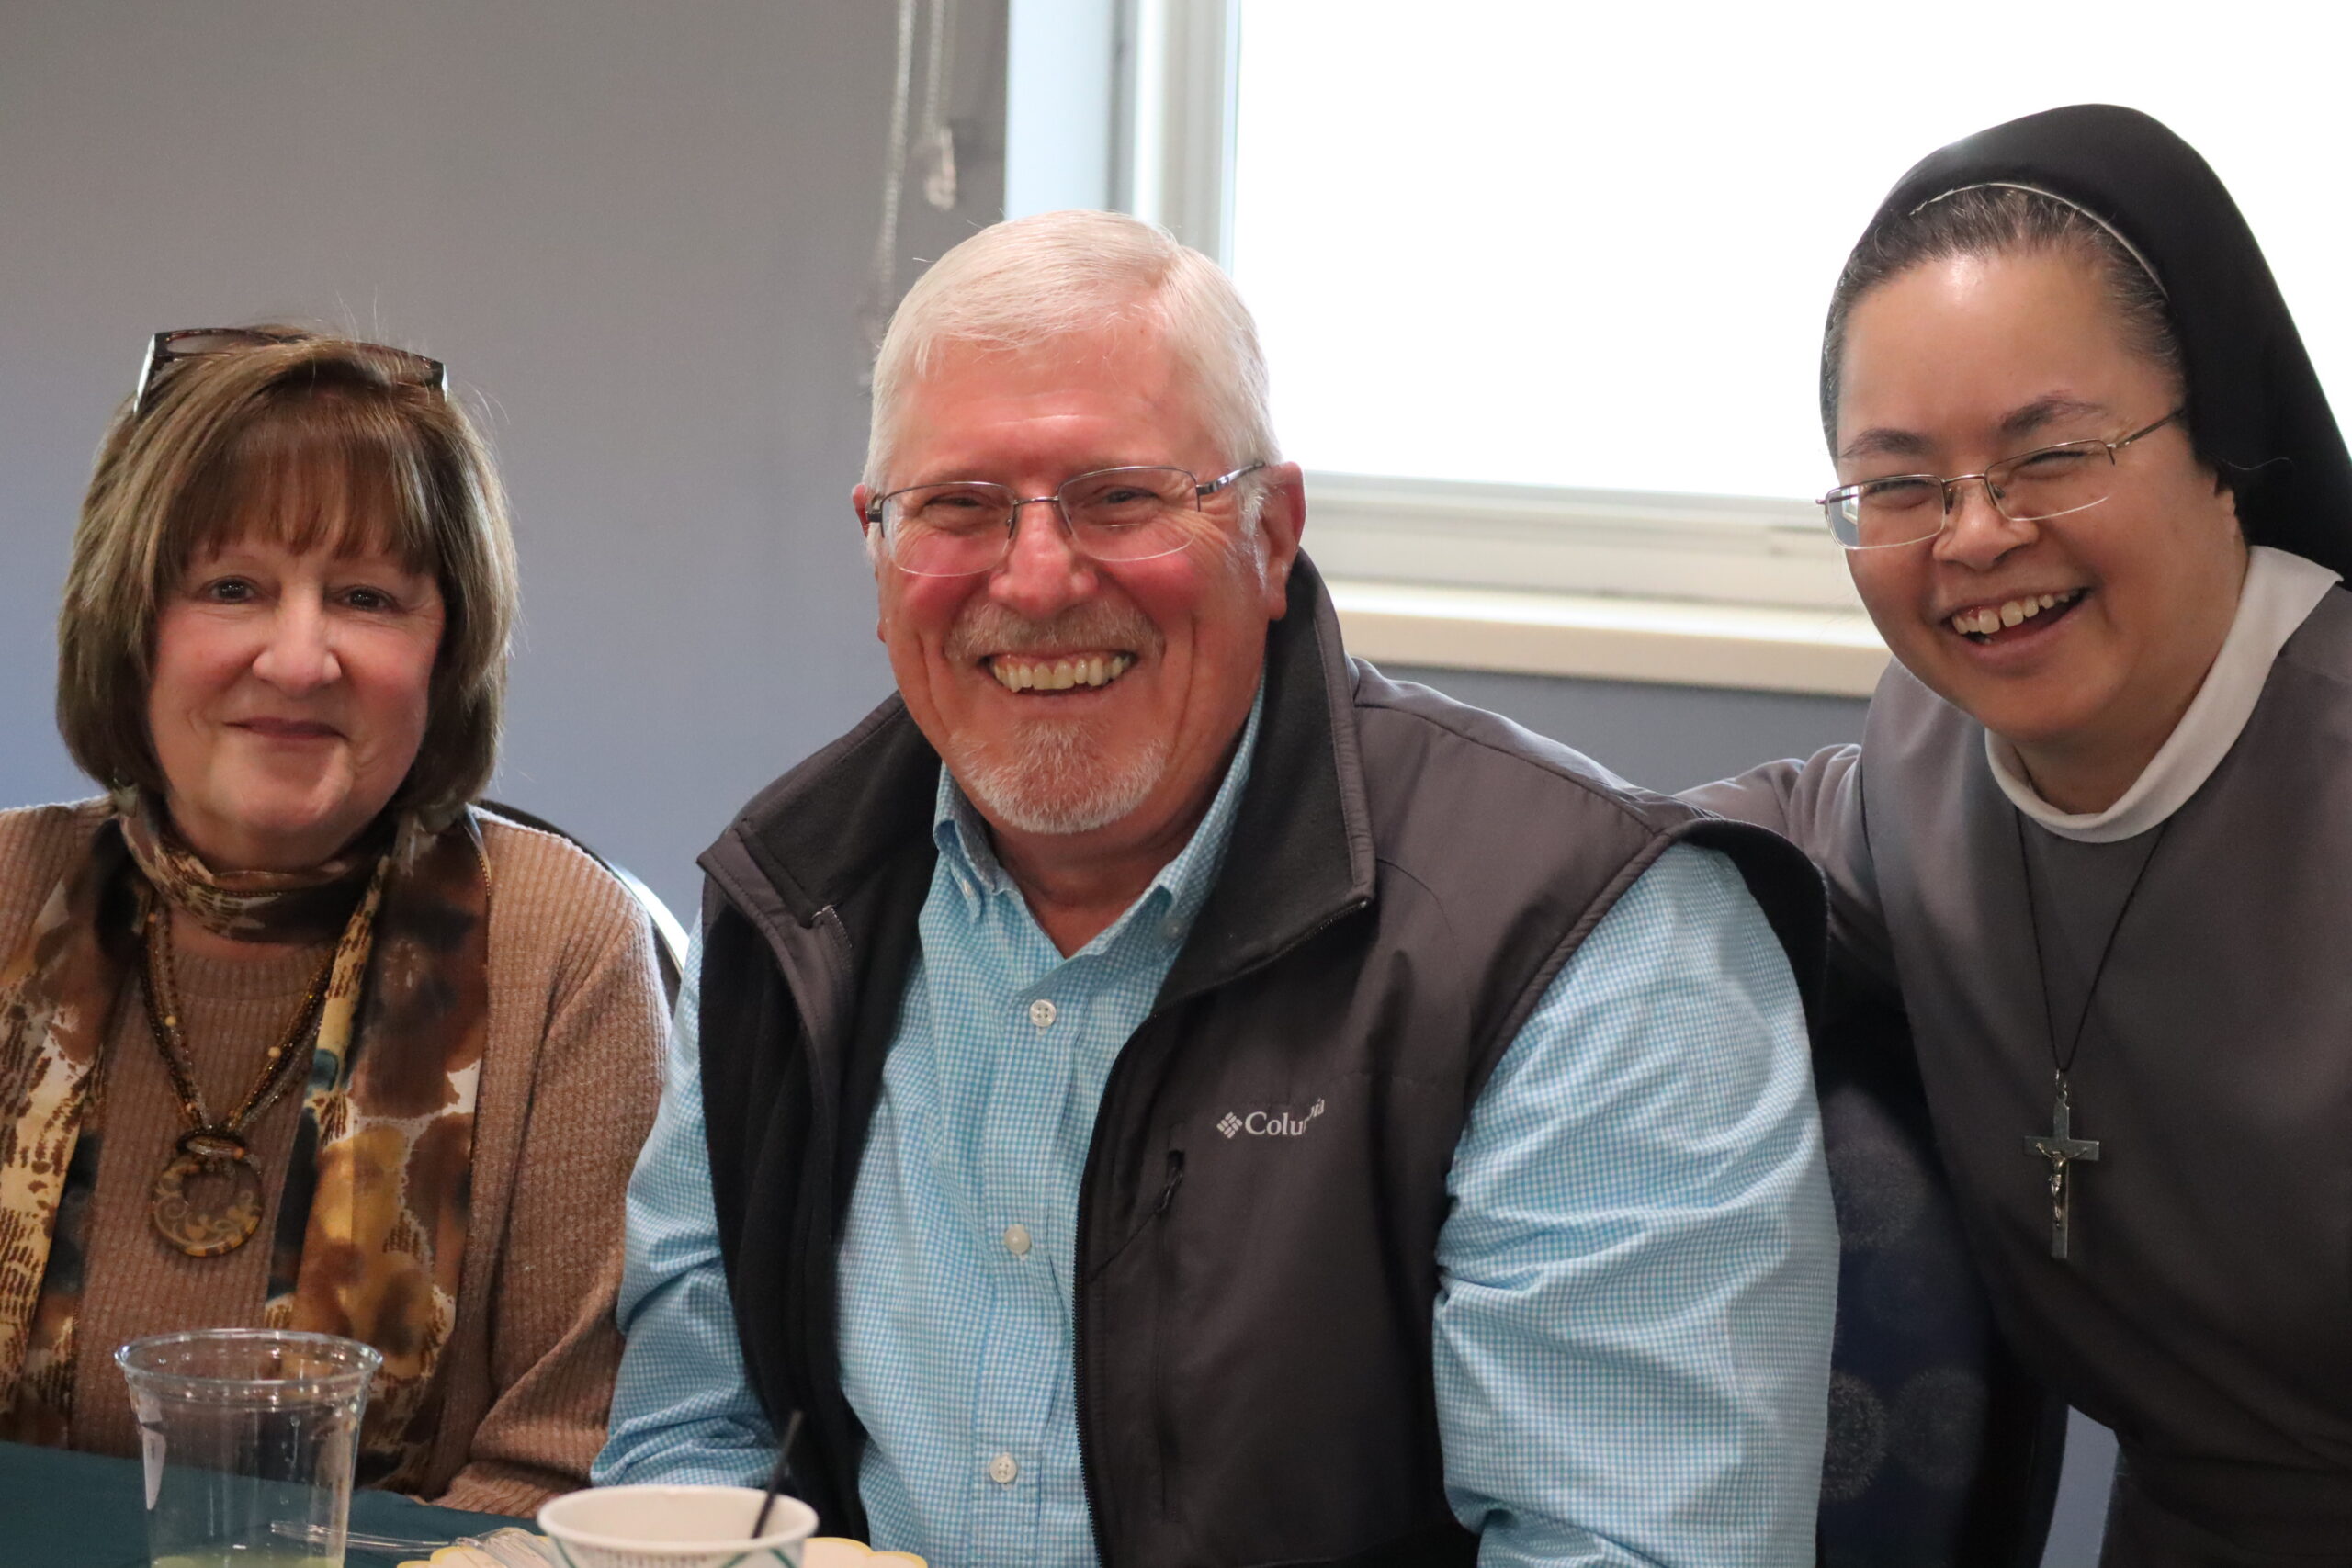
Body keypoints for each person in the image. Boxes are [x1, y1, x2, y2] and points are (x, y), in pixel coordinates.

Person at [597, 210, 1838, 1567]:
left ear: (1270, 532)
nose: (1038, 576)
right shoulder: (798, 909)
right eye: (960, 507)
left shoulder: (1597, 949)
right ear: (880, 552)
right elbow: (694, 1451)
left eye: (1120, 497)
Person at [1691, 107, 2352, 1562]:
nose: (1974, 536)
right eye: (1901, 486)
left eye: (2052, 456)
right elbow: (1678, 854)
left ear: (2222, 440)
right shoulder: (1929, 763)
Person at [0, 327, 666, 1514]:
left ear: (445, 648)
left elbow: (559, 1470)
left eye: (365, 598)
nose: (300, 660)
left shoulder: (561, 940)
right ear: (130, 623)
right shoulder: (8, 884)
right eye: (232, 588)